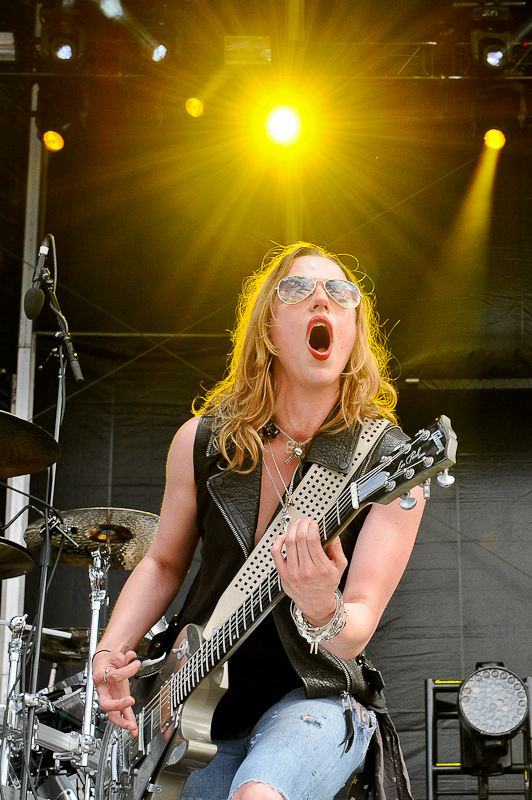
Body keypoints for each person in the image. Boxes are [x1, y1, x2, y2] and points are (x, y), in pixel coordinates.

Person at [92, 242, 425, 800]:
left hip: (314, 698)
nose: (323, 300)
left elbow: (358, 625)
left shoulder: (389, 460)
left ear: (352, 331)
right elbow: (163, 561)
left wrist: (322, 606)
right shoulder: (202, 441)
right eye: (298, 290)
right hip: (195, 708)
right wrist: (108, 653)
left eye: (340, 294)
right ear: (269, 328)